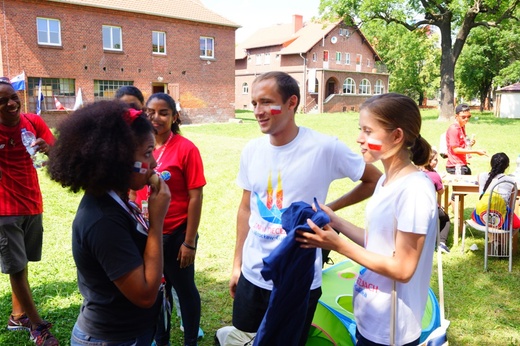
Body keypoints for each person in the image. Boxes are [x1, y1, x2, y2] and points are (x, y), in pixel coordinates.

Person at [226, 71, 382, 346]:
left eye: (266, 102)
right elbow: (245, 209)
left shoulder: (323, 147)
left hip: (298, 280)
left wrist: (328, 209)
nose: (258, 111)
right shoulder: (252, 150)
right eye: (254, 104)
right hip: (253, 273)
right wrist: (237, 264)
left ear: (291, 103)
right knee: (247, 339)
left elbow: (373, 180)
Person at [296, 93, 438, 346]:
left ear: (397, 136)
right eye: (360, 129)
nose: (360, 138)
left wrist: (337, 245)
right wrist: (336, 221)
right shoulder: (385, 181)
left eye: (368, 131)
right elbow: (379, 243)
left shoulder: (414, 191)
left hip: (392, 331)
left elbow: (403, 269)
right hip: (371, 317)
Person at [46, 101, 171, 345]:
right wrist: (156, 223)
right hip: (111, 338)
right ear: (119, 160)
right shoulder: (102, 220)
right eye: (147, 154)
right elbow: (145, 295)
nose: (154, 163)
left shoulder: (117, 199)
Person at [135, 93, 206, 346]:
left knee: (184, 289)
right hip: (147, 231)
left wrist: (189, 242)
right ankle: (160, 339)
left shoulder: (186, 149)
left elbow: (195, 196)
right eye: (150, 112)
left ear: (174, 117)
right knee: (155, 290)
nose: (156, 118)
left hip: (177, 232)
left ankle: (190, 341)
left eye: (164, 112)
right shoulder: (140, 145)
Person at [0, 77, 58, 346]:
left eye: (13, 97)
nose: (11, 103)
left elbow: (57, 151)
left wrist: (49, 149)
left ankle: (17, 315)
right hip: (4, 209)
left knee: (23, 265)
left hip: (32, 202)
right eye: (2, 101)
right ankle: (38, 327)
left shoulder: (33, 122)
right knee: (17, 267)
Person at [473, 152, 520, 229]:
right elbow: (511, 207)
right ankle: (499, 239)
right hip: (500, 218)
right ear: (507, 166)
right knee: (515, 223)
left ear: (491, 164)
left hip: (480, 217)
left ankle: (494, 239)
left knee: (490, 216)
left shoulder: (480, 176)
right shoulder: (511, 182)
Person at [419, 148, 452, 253]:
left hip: (417, 206)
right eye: (435, 160)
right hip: (431, 208)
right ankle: (441, 243)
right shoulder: (434, 175)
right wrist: (442, 182)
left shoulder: (417, 172)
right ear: (429, 161)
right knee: (445, 219)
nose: (437, 162)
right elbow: (441, 192)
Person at [445, 103, 487, 175]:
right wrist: (476, 151)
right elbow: (456, 150)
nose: (466, 119)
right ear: (456, 116)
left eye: (468, 116)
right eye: (463, 117)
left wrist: (469, 145)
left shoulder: (462, 127)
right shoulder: (454, 129)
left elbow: (460, 145)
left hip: (462, 164)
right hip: (455, 166)